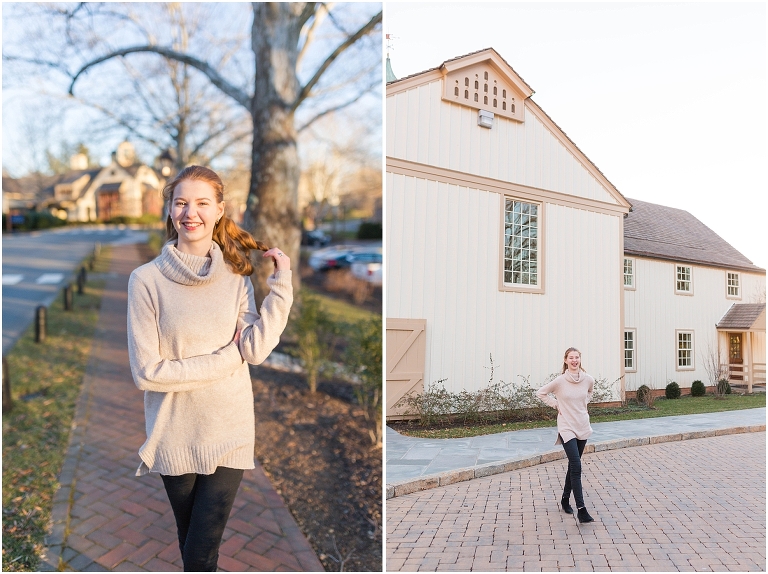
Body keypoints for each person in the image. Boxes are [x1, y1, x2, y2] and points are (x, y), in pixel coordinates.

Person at [126, 165, 293, 571]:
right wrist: (225, 359)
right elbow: (148, 372)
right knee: (193, 548)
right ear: (169, 211)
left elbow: (253, 349)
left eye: (202, 203)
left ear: (220, 210)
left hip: (229, 429)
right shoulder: (145, 281)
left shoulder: (236, 277)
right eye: (181, 202)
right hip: (174, 430)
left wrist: (282, 284)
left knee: (202, 551)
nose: (190, 212)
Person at [536, 347, 595, 523]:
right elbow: (540, 393)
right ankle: (581, 509)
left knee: (573, 465)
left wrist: (585, 401)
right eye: (571, 357)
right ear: (566, 360)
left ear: (580, 360)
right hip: (566, 426)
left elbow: (590, 393)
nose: (574, 360)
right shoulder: (560, 381)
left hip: (582, 425)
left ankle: (564, 499)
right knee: (576, 465)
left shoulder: (588, 379)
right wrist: (556, 405)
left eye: (577, 357)